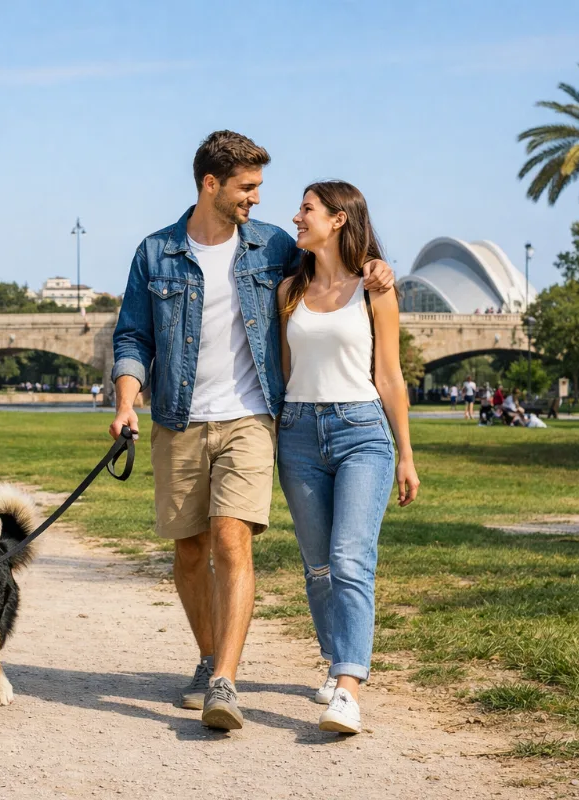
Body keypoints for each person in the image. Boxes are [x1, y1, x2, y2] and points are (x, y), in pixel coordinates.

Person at [110, 131, 394, 731]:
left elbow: (334, 268)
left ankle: (224, 681)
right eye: (247, 187)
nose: (257, 199)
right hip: (179, 418)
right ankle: (210, 654)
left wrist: (374, 263)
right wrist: (126, 401)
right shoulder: (156, 252)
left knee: (231, 540)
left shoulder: (271, 248)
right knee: (189, 551)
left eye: (260, 187)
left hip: (252, 416)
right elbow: (133, 337)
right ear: (210, 184)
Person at [275, 181, 419, 736]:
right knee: (318, 568)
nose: (297, 216)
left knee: (351, 558)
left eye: (306, 209)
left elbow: (390, 375)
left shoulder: (375, 289)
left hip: (362, 432)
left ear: (338, 220)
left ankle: (348, 687)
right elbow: (286, 372)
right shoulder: (289, 289)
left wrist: (405, 454)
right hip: (299, 435)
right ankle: (337, 659)